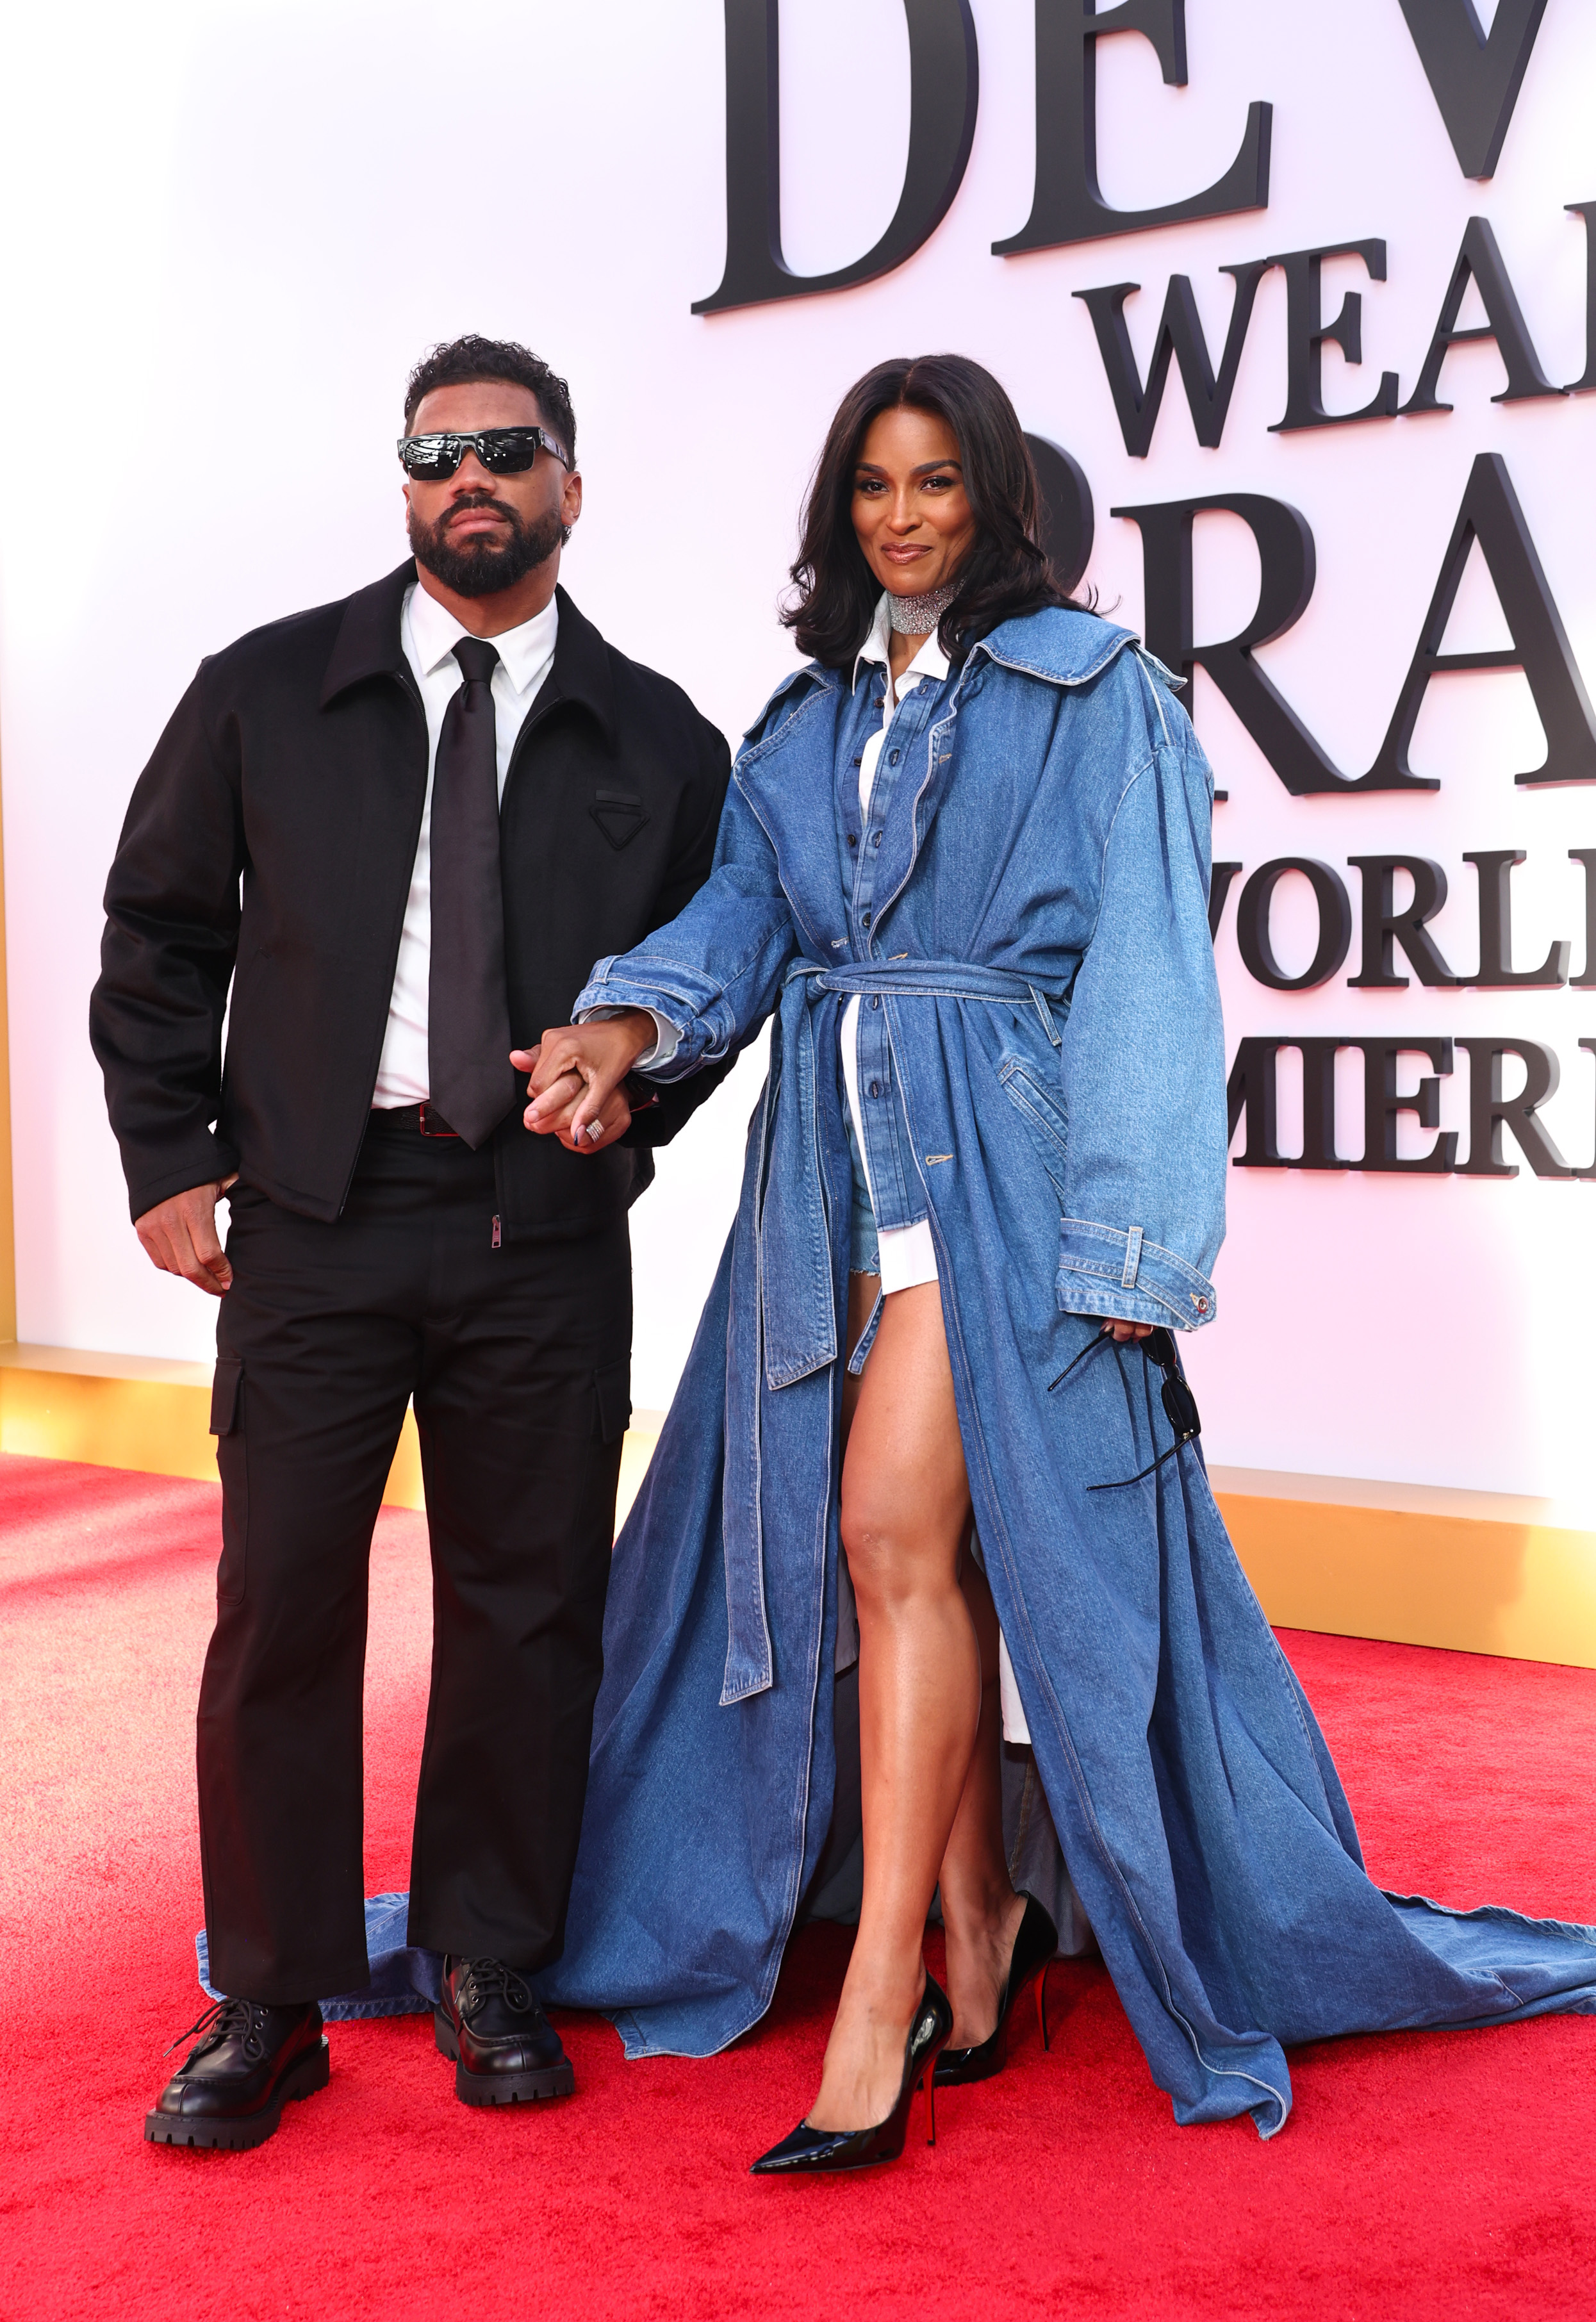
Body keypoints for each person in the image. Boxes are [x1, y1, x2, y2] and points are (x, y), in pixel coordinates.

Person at [520, 354, 1596, 2171]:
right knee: (910, 1558)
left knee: (880, 1535)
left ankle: (877, 2001)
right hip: (832, 1178)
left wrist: (1130, 1241)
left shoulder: (1099, 691)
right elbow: (744, 916)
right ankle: (973, 1928)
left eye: (935, 480)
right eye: (871, 482)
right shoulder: (800, 722)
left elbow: (1157, 974)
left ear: (998, 499)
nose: (901, 514)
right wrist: (624, 1027)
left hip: (999, 1178)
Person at [90, 334, 731, 2149]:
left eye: (508, 451)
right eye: (437, 452)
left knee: (527, 1605)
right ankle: (270, 1995)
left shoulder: (658, 736)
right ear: (405, 487)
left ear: (569, 490)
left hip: (538, 1229)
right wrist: (168, 1157)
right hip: (312, 1214)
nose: (472, 478)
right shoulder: (266, 692)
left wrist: (635, 1111)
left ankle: (488, 1956)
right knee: (281, 1603)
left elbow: (708, 982)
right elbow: (154, 938)